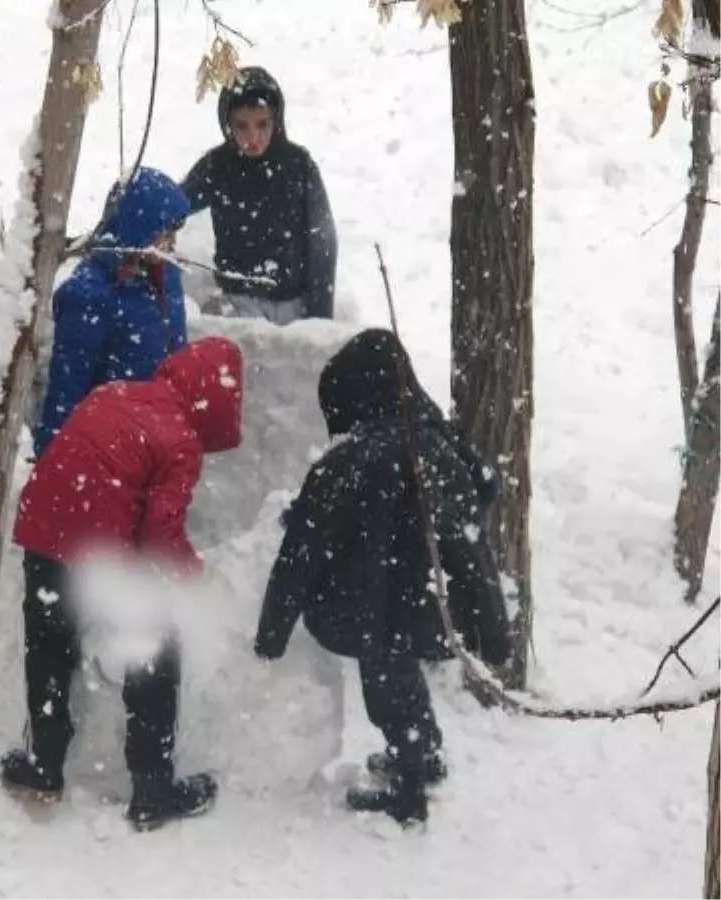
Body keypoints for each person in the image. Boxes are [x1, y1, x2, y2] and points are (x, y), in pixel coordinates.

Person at [253, 329, 511, 825]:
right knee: (402, 678)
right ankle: (423, 754)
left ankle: (409, 792)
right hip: (438, 601)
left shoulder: (350, 463)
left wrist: (272, 634)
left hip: (375, 607)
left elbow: (301, 555)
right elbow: (480, 502)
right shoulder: (442, 442)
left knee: (388, 691)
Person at [1, 336, 245, 831]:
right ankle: (153, 789)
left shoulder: (116, 392)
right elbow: (159, 532)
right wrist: (197, 576)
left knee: (48, 645)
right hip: (98, 553)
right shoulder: (180, 438)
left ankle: (44, 767)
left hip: (44, 532)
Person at [32, 166, 191, 457]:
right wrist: (51, 458)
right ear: (136, 230)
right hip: (111, 445)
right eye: (164, 233)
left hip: (159, 433)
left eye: (174, 232)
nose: (172, 244)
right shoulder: (90, 296)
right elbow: (67, 387)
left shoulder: (164, 273)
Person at [181, 66, 338, 324]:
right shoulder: (218, 165)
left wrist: (320, 317)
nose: (253, 137)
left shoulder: (298, 165)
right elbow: (173, 204)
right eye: (242, 126)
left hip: (294, 304)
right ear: (227, 124)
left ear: (277, 120)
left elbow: (323, 241)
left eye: (263, 124)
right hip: (237, 301)